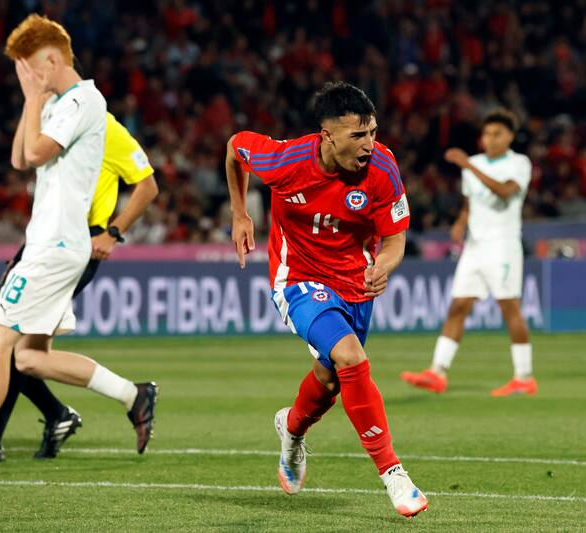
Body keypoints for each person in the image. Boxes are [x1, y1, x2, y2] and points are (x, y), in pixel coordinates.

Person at [0, 15, 156, 468]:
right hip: (52, 244)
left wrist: (35, 98)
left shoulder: (84, 101)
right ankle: (134, 394)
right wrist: (33, 101)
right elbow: (18, 157)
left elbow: (34, 154)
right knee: (28, 358)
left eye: (28, 68)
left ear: (51, 61)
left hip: (56, 246)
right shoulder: (59, 103)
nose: (25, 79)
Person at [225, 82, 427, 517]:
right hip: (296, 278)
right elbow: (235, 147)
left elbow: (394, 240)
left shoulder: (383, 168)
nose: (369, 144)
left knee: (332, 377)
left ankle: (291, 430)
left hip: (355, 283)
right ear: (327, 134)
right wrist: (239, 211)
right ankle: (393, 474)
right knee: (350, 356)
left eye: (372, 132)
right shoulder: (284, 161)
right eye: (358, 135)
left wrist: (384, 267)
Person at [0, 110, 159, 462]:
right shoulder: (60, 125)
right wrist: (24, 253)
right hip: (48, 244)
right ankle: (65, 413)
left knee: (9, 342)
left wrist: (113, 231)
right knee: (23, 353)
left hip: (77, 245)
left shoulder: (105, 127)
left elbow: (148, 186)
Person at [400, 109, 537, 397]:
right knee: (458, 306)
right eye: (487, 133)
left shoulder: (518, 163)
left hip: (503, 245)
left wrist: (468, 165)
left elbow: (504, 191)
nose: (490, 139)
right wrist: (460, 223)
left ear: (510, 136)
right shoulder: (473, 164)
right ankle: (437, 372)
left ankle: (524, 376)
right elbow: (470, 202)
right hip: (474, 247)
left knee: (509, 307)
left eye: (497, 134)